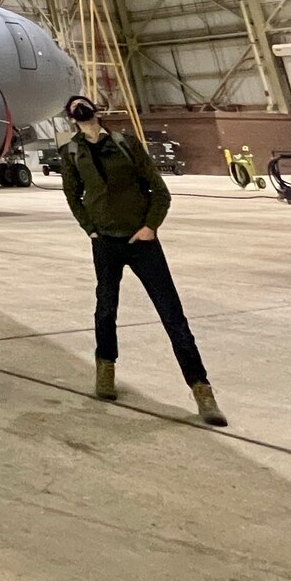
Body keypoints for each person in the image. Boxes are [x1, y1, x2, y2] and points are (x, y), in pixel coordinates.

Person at [60, 95, 226, 427]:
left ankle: (202, 390)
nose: (81, 109)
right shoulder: (71, 153)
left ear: (96, 109)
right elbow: (72, 196)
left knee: (172, 314)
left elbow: (158, 189)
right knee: (105, 309)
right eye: (75, 107)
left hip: (142, 240)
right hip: (105, 242)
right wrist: (91, 230)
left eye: (84, 104)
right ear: (70, 117)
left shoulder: (126, 144)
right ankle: (105, 371)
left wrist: (151, 226)